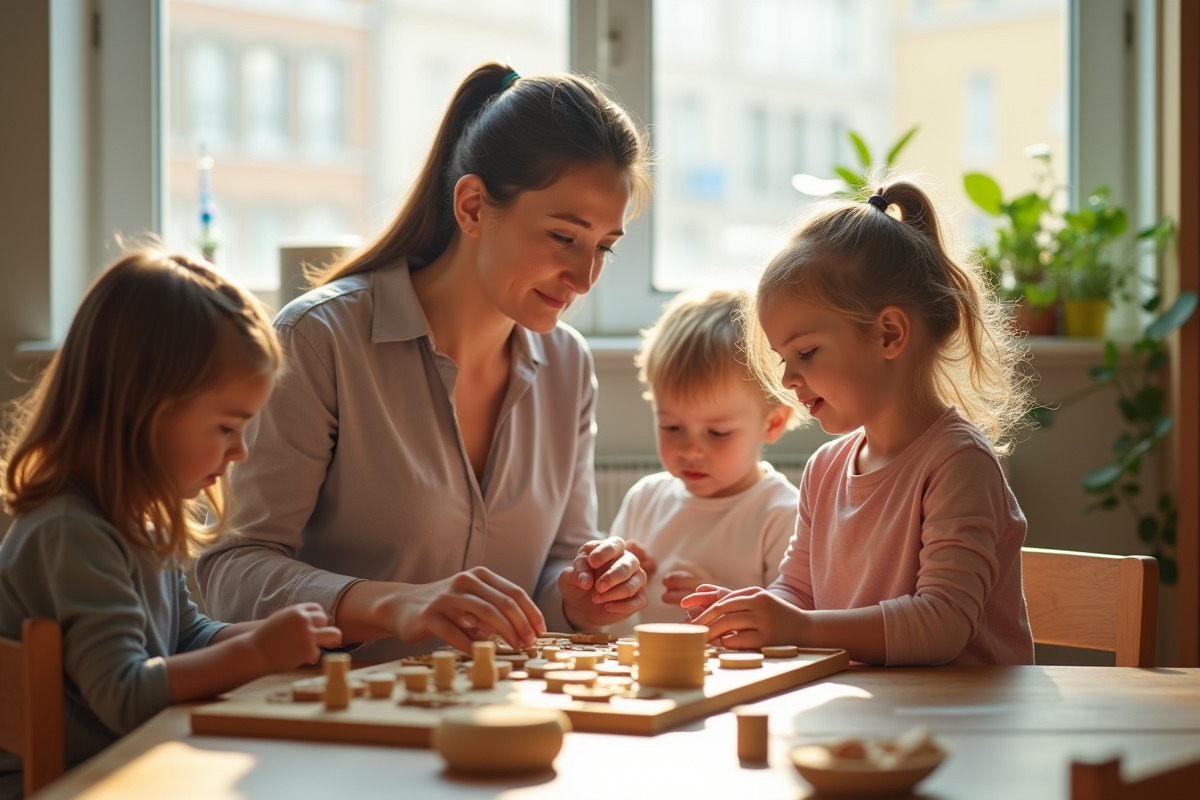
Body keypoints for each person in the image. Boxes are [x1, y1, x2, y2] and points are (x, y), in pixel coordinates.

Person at [197, 61, 654, 661]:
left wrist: (580, 598)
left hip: (494, 717)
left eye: (604, 249)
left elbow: (554, 571)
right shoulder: (320, 340)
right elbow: (226, 575)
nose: (585, 277)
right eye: (564, 237)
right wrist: (391, 602)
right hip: (333, 720)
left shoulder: (567, 364)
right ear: (471, 207)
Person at [0, 248, 342, 798]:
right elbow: (125, 695)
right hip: (74, 783)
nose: (241, 452)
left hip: (129, 765)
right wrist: (256, 655)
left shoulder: (139, 520)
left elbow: (183, 638)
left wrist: (268, 636)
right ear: (148, 412)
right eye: (227, 427)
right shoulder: (72, 532)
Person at [682, 181, 1036, 666]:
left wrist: (799, 627)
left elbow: (943, 622)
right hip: (878, 714)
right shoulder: (825, 468)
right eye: (784, 357)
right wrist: (752, 613)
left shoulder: (957, 464)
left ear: (889, 334)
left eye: (805, 352)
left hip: (964, 724)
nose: (787, 377)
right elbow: (799, 592)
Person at [604, 288, 798, 635]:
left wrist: (724, 605)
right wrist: (618, 582)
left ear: (773, 423)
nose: (690, 450)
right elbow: (613, 622)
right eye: (672, 426)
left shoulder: (780, 513)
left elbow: (793, 627)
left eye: (717, 432)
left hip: (744, 683)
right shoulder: (645, 500)